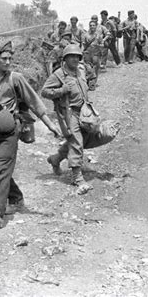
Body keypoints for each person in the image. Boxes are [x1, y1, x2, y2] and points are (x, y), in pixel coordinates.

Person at [0, 41, 61, 228]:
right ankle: (16, 197)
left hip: (9, 131)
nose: (8, 61)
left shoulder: (16, 78)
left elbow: (35, 102)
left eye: (10, 58)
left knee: (3, 167)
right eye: (4, 58)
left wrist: (51, 125)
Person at [42, 44, 118, 195]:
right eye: (72, 56)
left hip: (84, 113)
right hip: (69, 114)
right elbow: (44, 92)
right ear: (65, 59)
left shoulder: (80, 71)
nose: (75, 59)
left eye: (78, 57)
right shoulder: (58, 75)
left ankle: (56, 158)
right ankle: (77, 178)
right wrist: (61, 90)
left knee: (84, 139)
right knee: (76, 143)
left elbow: (91, 79)